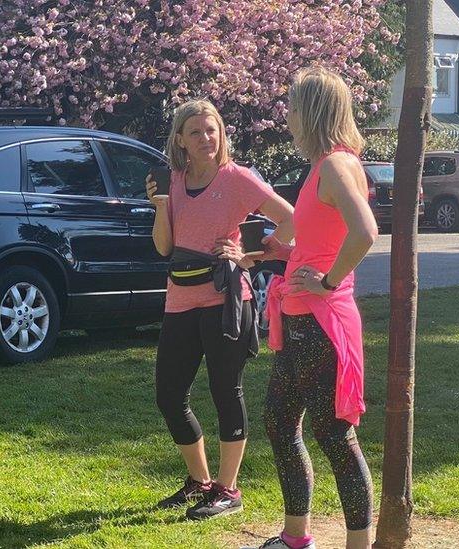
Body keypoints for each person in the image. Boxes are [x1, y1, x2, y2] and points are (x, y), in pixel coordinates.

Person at [244, 67, 378, 549]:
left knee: (334, 436)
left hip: (322, 322)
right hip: (300, 320)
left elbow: (365, 233)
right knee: (280, 423)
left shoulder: (337, 165)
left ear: (314, 111)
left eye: (293, 105)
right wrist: (281, 254)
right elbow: (323, 237)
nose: (288, 115)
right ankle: (295, 538)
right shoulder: (325, 165)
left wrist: (328, 280)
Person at [146, 99, 294, 520]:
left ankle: (229, 490)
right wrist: (160, 205)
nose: (206, 138)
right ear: (181, 140)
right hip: (180, 298)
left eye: (211, 130)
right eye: (195, 132)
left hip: (225, 299)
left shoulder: (238, 179)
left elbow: (290, 218)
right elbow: (163, 247)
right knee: (169, 395)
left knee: (225, 391)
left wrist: (250, 253)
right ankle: (199, 482)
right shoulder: (172, 181)